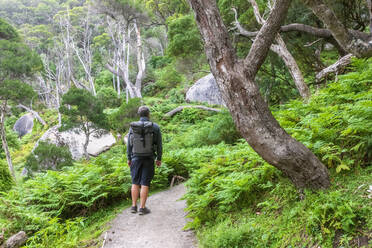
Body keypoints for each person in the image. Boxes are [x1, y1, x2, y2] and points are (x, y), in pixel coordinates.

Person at [127, 106, 162, 215]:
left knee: (135, 182)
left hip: (135, 157)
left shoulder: (133, 127)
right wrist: (159, 158)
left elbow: (129, 144)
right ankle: (142, 208)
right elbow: (159, 145)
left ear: (139, 114)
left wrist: (129, 158)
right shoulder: (155, 127)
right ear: (148, 114)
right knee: (145, 182)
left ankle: (133, 206)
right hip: (149, 157)